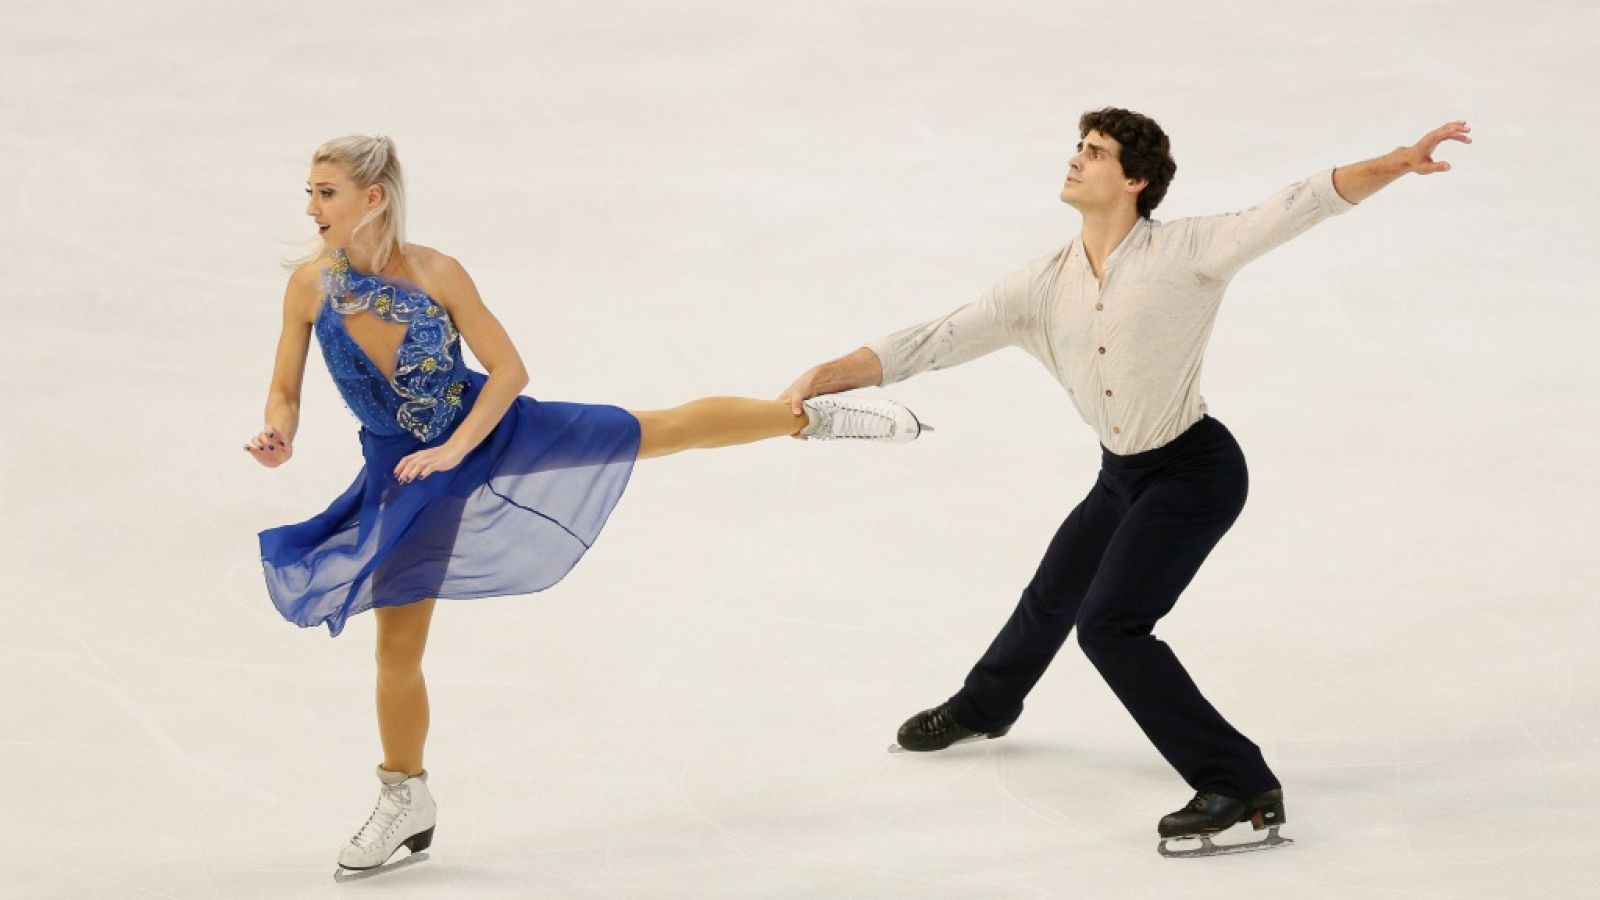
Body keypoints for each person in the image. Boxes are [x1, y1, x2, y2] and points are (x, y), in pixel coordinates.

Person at [780, 109, 1470, 855]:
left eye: (1096, 152)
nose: (1076, 159)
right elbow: (933, 339)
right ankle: (987, 704)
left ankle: (1239, 783)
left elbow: (1299, 202)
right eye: (1078, 147)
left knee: (1109, 627)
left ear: (1135, 180)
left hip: (1195, 473)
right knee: (1053, 592)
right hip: (1123, 476)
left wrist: (1398, 161)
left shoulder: (1188, 252)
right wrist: (828, 375)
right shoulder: (1041, 286)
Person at [247, 135, 927, 875]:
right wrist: (278, 432)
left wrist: (454, 447)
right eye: (311, 192)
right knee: (398, 648)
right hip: (403, 477)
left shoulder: (437, 272)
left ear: (371, 198)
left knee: (655, 430)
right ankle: (406, 797)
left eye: (326, 192)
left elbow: (508, 370)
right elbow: (285, 391)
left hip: (488, 429)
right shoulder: (309, 286)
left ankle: (808, 418)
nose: (311, 207)